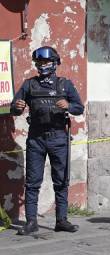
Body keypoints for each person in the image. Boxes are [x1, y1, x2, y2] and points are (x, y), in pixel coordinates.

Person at [10, 46, 84, 235]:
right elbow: (14, 108)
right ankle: (31, 222)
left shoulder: (64, 84)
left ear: (55, 63)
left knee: (61, 181)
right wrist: (17, 106)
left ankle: (61, 220)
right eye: (39, 62)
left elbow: (79, 107)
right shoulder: (29, 85)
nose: (42, 65)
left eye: (46, 62)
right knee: (32, 182)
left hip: (59, 138)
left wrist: (68, 105)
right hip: (36, 139)